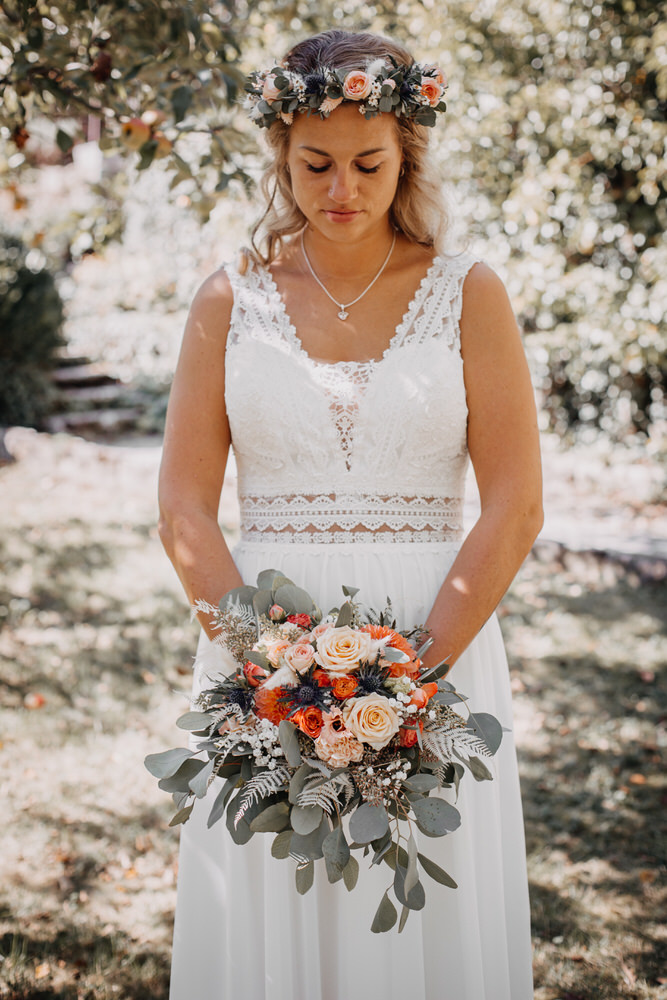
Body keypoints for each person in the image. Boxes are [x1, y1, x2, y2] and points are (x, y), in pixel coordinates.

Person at [158, 28, 542, 1000]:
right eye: (315, 164)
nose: (343, 188)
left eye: (369, 163)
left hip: (435, 641)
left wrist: (411, 679)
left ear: (406, 152)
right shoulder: (228, 298)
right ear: (281, 157)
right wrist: (273, 666)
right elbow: (184, 514)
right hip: (261, 646)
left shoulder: (468, 293)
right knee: (276, 895)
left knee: (416, 905)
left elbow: (515, 505)